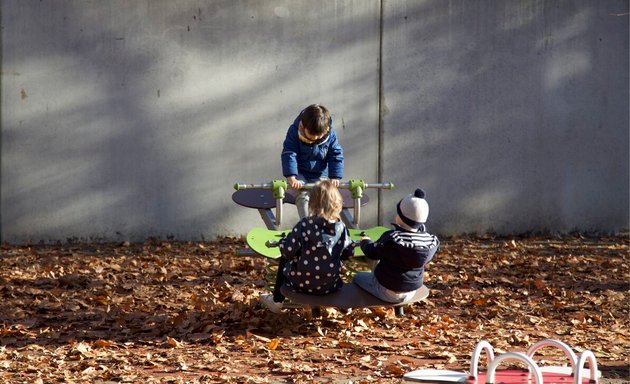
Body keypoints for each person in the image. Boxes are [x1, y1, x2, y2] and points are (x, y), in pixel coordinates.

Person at [260, 180, 354, 313]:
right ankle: (343, 303)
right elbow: (348, 253)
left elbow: (288, 251)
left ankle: (277, 300)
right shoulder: (341, 227)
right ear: (337, 202)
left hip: (300, 284)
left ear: (312, 202)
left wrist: (282, 243)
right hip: (329, 285)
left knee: (285, 258)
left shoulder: (305, 225)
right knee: (334, 264)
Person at [352, 188, 439, 303]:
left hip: (386, 290)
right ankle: (399, 309)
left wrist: (365, 241)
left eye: (398, 213)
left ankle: (353, 305)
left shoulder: (393, 239)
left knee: (358, 277)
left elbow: (372, 252)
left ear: (402, 218)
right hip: (412, 291)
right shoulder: (431, 241)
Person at [281, 104, 344, 218]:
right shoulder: (295, 131)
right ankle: (306, 223)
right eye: (311, 134)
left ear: (325, 130)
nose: (315, 138)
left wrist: (335, 176)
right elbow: (289, 153)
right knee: (303, 195)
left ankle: (324, 223)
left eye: (318, 135)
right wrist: (291, 177)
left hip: (320, 173)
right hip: (301, 172)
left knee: (324, 195)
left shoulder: (330, 135)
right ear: (303, 126)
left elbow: (335, 154)